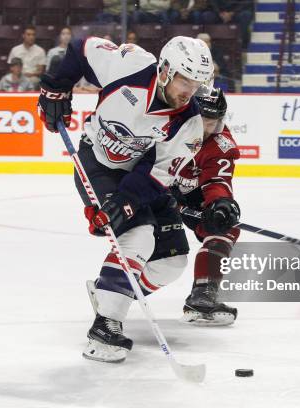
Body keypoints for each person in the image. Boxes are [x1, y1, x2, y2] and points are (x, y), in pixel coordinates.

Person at [37, 36, 217, 362]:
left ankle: (109, 289)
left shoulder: (188, 124)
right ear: (164, 70)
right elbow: (80, 49)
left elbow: (153, 175)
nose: (189, 90)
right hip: (98, 163)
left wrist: (124, 204)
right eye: (184, 80)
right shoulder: (129, 65)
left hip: (139, 180)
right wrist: (56, 88)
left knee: (171, 262)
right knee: (138, 236)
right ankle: (105, 326)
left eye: (197, 83)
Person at [170, 88, 241, 326]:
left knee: (225, 226)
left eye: (213, 123)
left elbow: (217, 181)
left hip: (192, 196)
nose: (207, 129)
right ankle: (116, 287)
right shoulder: (166, 126)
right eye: (202, 122)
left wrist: (220, 203)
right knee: (154, 244)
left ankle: (203, 293)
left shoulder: (221, 144)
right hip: (155, 190)